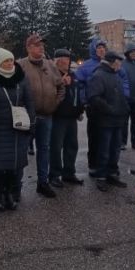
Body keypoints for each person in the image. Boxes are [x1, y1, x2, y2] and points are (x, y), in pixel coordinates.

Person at [0, 48, 35, 211]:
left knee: (14, 165)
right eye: (5, 61)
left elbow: (29, 101)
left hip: (18, 127)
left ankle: (11, 193)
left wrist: (32, 122)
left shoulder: (21, 78)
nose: (9, 63)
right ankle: (1, 195)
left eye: (11, 60)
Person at [18, 34, 64, 198]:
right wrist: (22, 109)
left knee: (44, 150)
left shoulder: (50, 65)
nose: (41, 48)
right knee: (21, 150)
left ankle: (43, 183)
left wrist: (55, 103)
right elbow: (14, 91)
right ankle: (17, 186)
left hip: (47, 117)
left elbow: (60, 87)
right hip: (26, 117)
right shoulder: (20, 65)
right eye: (37, 45)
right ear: (29, 47)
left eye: (42, 45)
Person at [76, 38, 129, 175]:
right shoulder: (86, 66)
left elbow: (124, 82)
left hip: (113, 109)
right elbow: (80, 85)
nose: (101, 50)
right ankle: (94, 165)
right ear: (93, 49)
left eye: (103, 48)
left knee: (111, 141)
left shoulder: (115, 66)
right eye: (98, 48)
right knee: (95, 138)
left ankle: (109, 168)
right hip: (94, 108)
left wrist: (124, 98)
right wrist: (84, 101)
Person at [87, 51, 130, 192]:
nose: (120, 66)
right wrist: (111, 109)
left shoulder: (115, 75)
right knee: (104, 150)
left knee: (115, 149)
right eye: (119, 62)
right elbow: (94, 98)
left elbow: (120, 96)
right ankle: (101, 177)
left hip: (117, 120)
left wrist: (124, 109)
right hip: (105, 121)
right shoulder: (98, 75)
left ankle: (112, 173)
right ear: (112, 62)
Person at [49, 49, 84, 187]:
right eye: (64, 59)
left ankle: (69, 173)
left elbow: (77, 94)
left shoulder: (73, 75)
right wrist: (60, 83)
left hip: (72, 118)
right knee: (56, 148)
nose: (67, 62)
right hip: (57, 117)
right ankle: (54, 175)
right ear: (57, 61)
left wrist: (80, 109)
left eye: (68, 60)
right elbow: (48, 93)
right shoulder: (52, 75)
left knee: (72, 146)